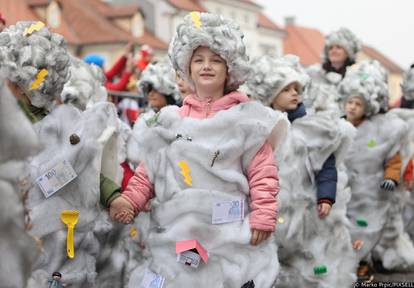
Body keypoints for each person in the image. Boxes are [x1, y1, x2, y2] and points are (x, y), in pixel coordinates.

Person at [109, 12, 289, 287]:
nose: (207, 66)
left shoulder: (247, 119)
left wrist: (264, 214)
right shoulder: (171, 121)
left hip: (229, 235)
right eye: (199, 59)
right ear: (187, 68)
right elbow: (150, 171)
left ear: (230, 69)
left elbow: (263, 171)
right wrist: (131, 200)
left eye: (216, 60)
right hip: (178, 236)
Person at [245, 54, 357, 287]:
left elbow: (327, 165)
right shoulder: (259, 126)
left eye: (297, 88)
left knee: (305, 253)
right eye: (287, 89)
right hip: (269, 206)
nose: (295, 93)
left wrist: (326, 196)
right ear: (271, 93)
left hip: (304, 208)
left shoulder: (311, 128)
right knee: (271, 251)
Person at [339, 61, 414, 278]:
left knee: (366, 228)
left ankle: (363, 261)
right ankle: (346, 261)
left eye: (359, 104)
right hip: (343, 191)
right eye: (350, 102)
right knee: (343, 227)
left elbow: (393, 160)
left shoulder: (383, 129)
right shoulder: (338, 126)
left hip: (371, 192)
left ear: (369, 106)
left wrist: (391, 178)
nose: (352, 107)